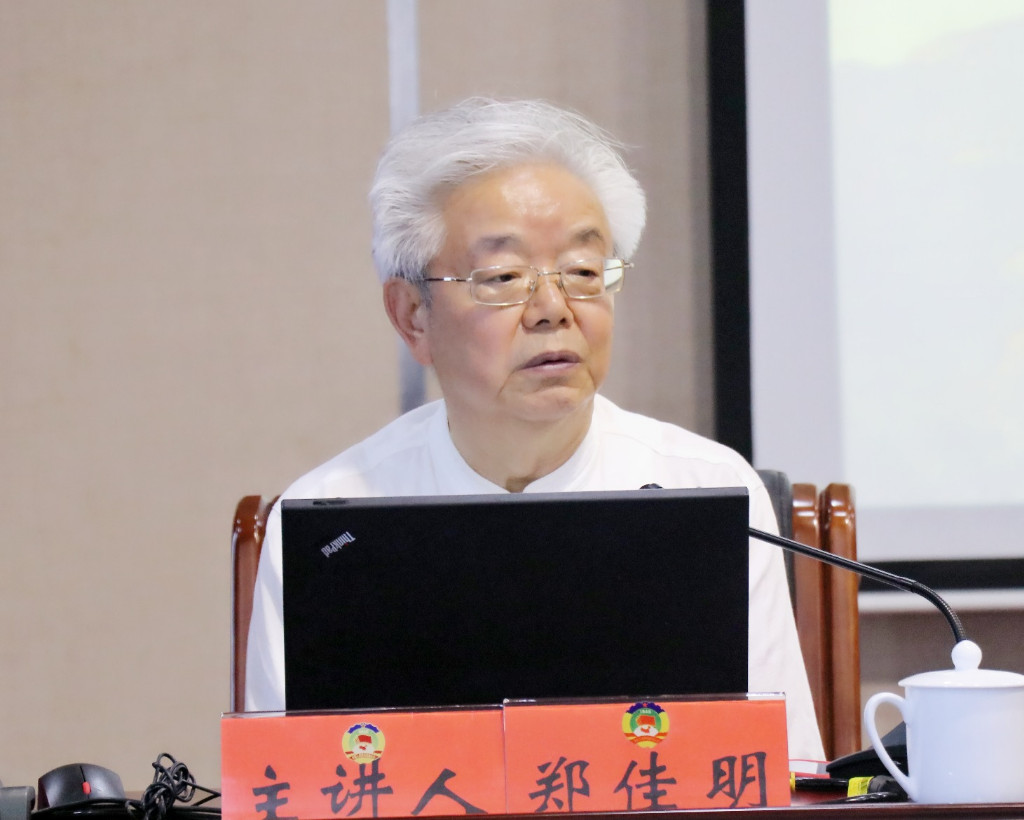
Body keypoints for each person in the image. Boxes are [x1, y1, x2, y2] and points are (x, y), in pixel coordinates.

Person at [245, 97, 825, 762]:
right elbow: (284, 786)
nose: (553, 308)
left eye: (583, 273)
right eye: (503, 277)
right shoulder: (330, 520)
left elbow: (787, 776)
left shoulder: (705, 489)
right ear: (412, 316)